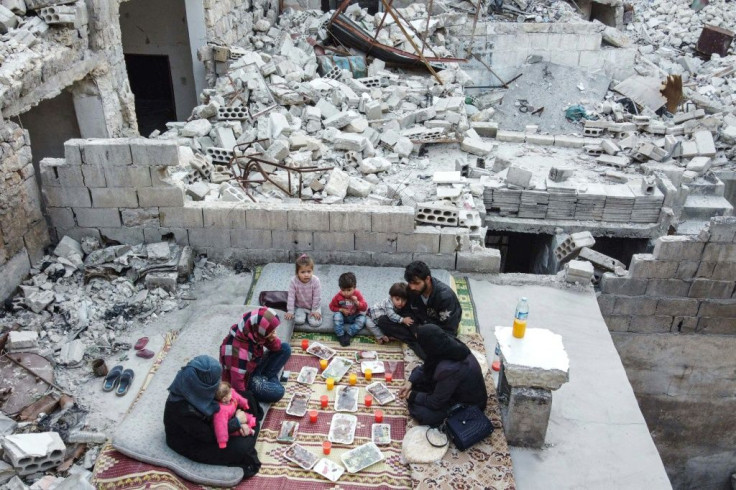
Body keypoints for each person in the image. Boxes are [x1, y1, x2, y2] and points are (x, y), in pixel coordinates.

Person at [163, 356, 262, 478]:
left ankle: (248, 428)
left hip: (208, 424)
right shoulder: (183, 409)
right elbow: (208, 436)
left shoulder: (197, 386)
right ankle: (248, 431)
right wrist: (236, 422)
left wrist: (235, 415)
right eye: (214, 383)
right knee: (243, 448)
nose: (217, 385)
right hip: (193, 441)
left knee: (248, 398)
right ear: (204, 385)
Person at [398, 325, 487, 427]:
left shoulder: (448, 369)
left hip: (467, 404)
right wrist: (410, 382)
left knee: (422, 413)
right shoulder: (445, 345)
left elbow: (435, 402)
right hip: (452, 386)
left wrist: (412, 395)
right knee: (417, 376)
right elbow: (426, 367)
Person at [220, 307, 292, 404]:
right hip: (247, 378)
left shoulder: (252, 330)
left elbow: (276, 348)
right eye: (271, 331)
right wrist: (246, 401)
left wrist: (271, 338)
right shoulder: (237, 351)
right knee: (279, 392)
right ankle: (267, 378)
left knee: (285, 348)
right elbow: (238, 385)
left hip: (254, 363)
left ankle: (266, 377)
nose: (274, 333)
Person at [367, 282, 427, 359]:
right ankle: (410, 338)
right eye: (397, 299)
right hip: (377, 318)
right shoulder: (388, 303)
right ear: (391, 297)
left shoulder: (407, 304)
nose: (400, 303)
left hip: (397, 322)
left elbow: (409, 316)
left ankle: (412, 337)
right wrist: (402, 320)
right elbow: (391, 316)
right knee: (382, 321)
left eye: (404, 300)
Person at [404, 261, 462, 335]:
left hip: (437, 332)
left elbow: (449, 328)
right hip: (418, 326)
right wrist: (415, 330)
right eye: (410, 283)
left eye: (416, 283)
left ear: (427, 279)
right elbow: (405, 311)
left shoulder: (445, 297)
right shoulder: (411, 290)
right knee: (386, 320)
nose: (412, 287)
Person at [213, 381, 257, 449]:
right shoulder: (221, 411)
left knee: (248, 416)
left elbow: (238, 398)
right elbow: (221, 427)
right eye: (230, 393)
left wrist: (245, 404)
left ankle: (252, 422)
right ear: (224, 399)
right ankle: (249, 430)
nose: (232, 392)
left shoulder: (230, 396)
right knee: (237, 432)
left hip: (234, 414)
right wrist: (222, 442)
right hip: (229, 423)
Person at [329, 272, 368, 347]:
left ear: (354, 287)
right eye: (343, 290)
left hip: (354, 315)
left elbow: (364, 308)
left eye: (349, 290)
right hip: (343, 316)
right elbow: (331, 306)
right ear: (340, 288)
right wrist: (341, 310)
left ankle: (349, 334)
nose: (346, 293)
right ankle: (340, 335)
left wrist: (357, 302)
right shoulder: (338, 296)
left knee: (363, 319)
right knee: (336, 316)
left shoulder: (357, 294)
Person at [284, 254, 322, 328]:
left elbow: (317, 296)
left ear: (312, 271)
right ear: (297, 273)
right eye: (303, 272)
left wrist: (314, 310)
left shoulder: (316, 281)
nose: (306, 275)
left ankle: (313, 312)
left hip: (314, 306)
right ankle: (302, 313)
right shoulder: (294, 281)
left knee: (315, 323)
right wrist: (290, 311)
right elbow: (291, 297)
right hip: (300, 306)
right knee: (298, 321)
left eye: (309, 271)